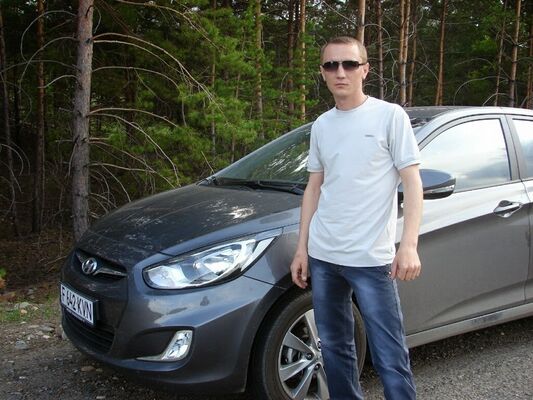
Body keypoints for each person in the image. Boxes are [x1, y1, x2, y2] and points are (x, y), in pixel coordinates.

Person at [290, 36, 423, 400]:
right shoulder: (322, 125)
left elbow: (413, 182)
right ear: (322, 73)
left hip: (371, 259)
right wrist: (302, 249)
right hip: (324, 256)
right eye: (331, 65)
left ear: (365, 70)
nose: (340, 72)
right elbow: (314, 188)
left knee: (389, 356)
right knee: (334, 349)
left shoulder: (389, 116)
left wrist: (409, 245)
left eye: (349, 64)